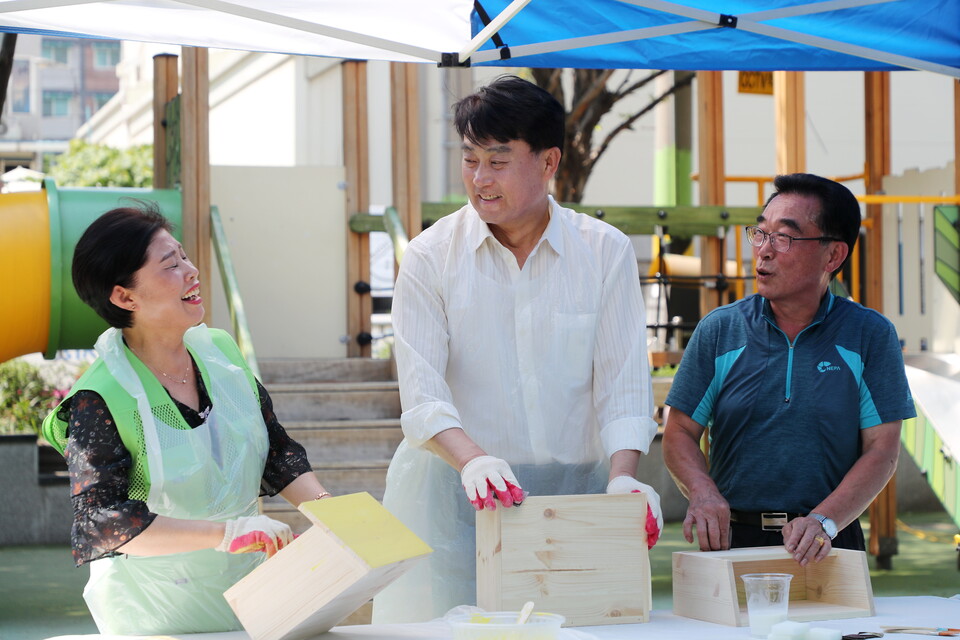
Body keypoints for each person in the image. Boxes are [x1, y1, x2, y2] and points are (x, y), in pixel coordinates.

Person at [372, 75, 662, 624]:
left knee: (580, 628)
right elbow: (423, 394)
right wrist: (474, 458)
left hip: (576, 497)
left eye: (498, 161)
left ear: (549, 162)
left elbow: (624, 384)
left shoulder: (604, 252)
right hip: (455, 495)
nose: (480, 179)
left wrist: (623, 476)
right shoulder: (430, 256)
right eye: (470, 159)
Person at [42, 204, 332, 635]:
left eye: (185, 256)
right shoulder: (99, 398)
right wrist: (225, 532)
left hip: (248, 600)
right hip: (154, 616)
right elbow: (102, 522)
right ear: (125, 297)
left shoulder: (222, 353)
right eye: (171, 264)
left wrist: (329, 513)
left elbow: (275, 449)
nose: (192, 271)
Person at [662, 173, 915, 567]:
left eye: (784, 237)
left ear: (833, 256)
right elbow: (679, 432)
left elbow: (882, 450)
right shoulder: (720, 329)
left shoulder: (870, 334)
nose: (763, 250)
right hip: (733, 543)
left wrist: (823, 520)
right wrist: (702, 491)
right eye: (760, 233)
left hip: (829, 542)